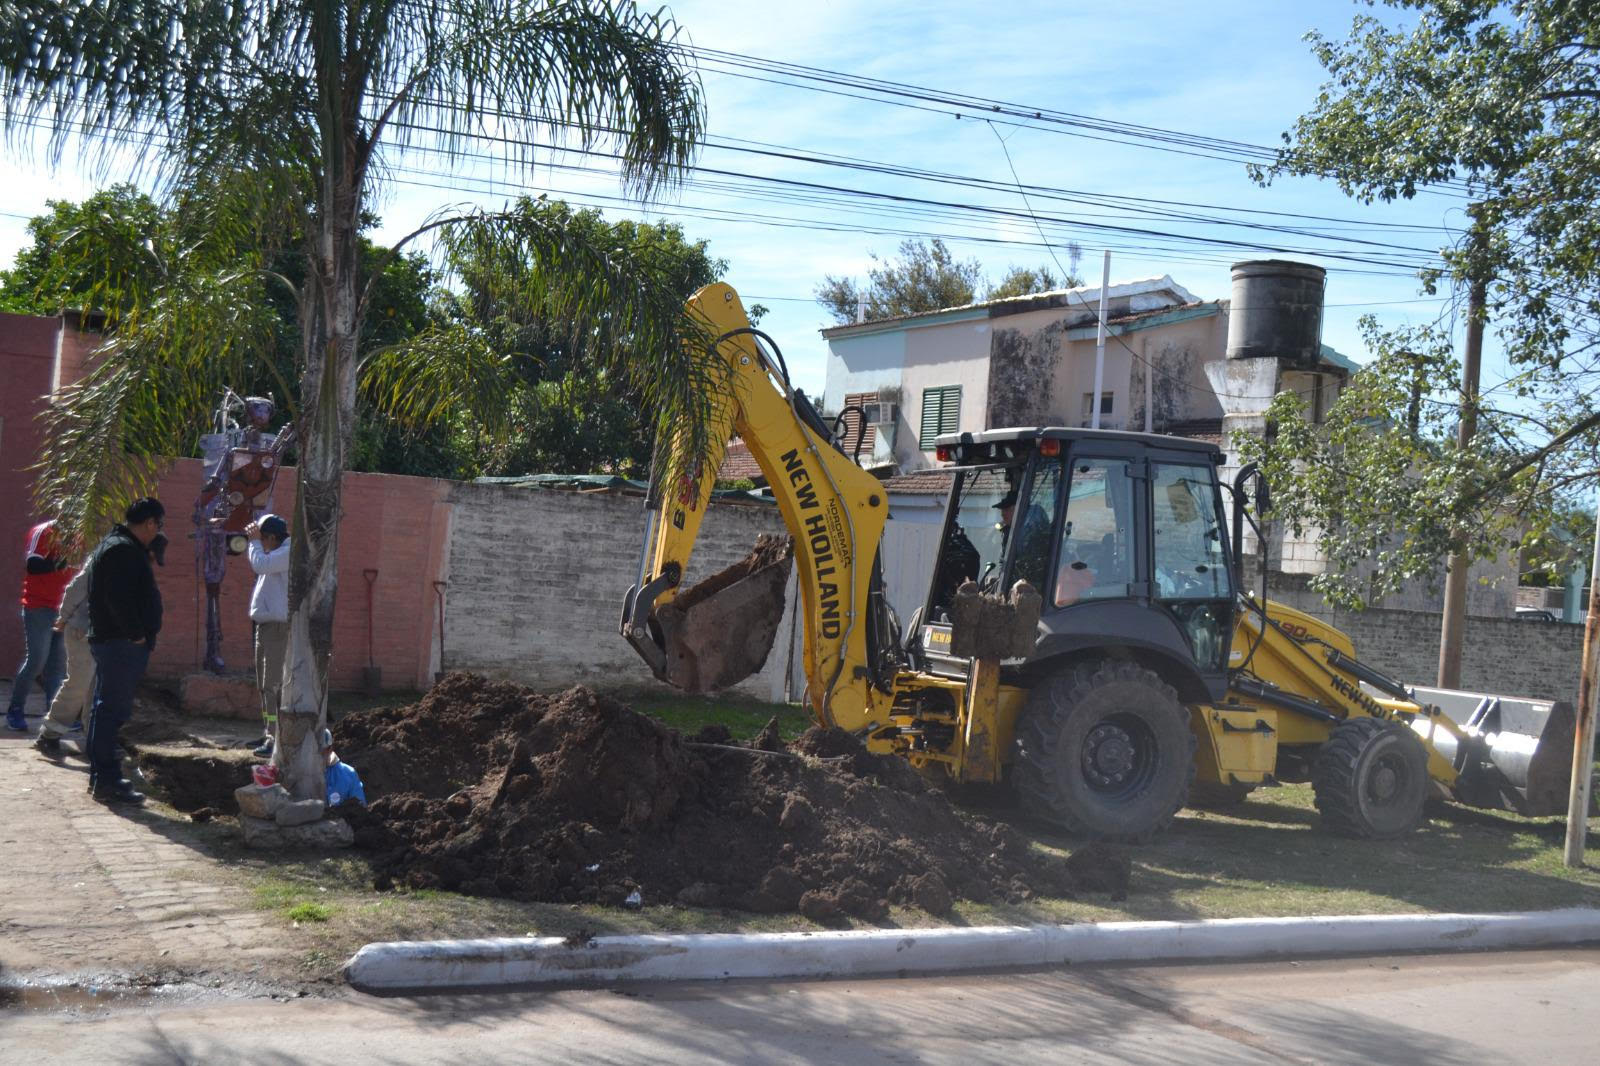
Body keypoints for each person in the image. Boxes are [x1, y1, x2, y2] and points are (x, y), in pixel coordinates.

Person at [37, 533, 167, 756]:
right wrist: (64, 616)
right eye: (152, 556)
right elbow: (77, 587)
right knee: (79, 683)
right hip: (82, 628)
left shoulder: (134, 565)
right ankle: (50, 733)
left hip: (104, 635)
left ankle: (95, 738)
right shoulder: (110, 557)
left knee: (97, 687)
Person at [84, 498, 165, 805]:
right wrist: (135, 635)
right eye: (158, 526)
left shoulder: (122, 546)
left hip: (117, 642)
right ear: (150, 523)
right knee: (110, 712)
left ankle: (102, 777)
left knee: (107, 709)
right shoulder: (121, 549)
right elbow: (117, 599)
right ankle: (106, 778)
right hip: (119, 643)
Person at [7, 519, 76, 731]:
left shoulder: (81, 535)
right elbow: (33, 565)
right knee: (37, 660)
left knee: (58, 666)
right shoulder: (44, 532)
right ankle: (15, 710)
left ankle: (54, 717)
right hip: (39, 607)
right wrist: (59, 563)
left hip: (65, 608)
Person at [246, 514, 289, 758]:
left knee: (273, 685)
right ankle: (268, 733)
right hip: (265, 627)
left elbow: (259, 564)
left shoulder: (285, 554)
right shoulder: (275, 554)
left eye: (262, 539)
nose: (259, 544)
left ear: (272, 538)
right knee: (264, 685)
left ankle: (276, 738)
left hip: (277, 629)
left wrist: (251, 543)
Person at [319, 728, 366, 807]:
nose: (318, 756)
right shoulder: (300, 777)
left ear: (330, 749)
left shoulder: (348, 773)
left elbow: (360, 810)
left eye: (322, 751)